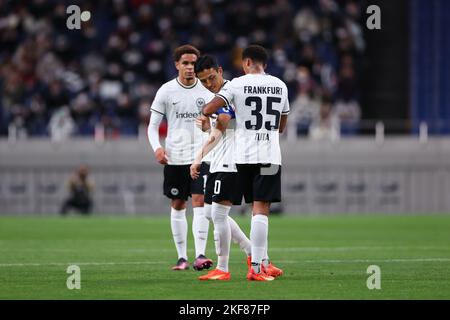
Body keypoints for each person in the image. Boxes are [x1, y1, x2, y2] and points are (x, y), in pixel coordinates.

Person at [199, 45, 289, 281]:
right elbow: (281, 126)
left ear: (246, 62)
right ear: (265, 64)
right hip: (269, 155)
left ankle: (244, 264)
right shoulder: (280, 85)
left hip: (243, 156)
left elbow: (211, 108)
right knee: (261, 211)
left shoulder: (236, 84)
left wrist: (206, 114)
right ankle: (258, 267)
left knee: (233, 210)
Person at [147, 44, 214, 271]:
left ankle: (201, 254)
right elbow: (152, 126)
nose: (189, 68)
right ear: (176, 65)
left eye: (193, 64)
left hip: (201, 156)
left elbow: (215, 124)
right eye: (185, 63)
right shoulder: (166, 91)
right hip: (174, 157)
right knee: (177, 203)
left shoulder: (206, 92)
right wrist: (157, 148)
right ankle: (182, 257)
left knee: (200, 201)